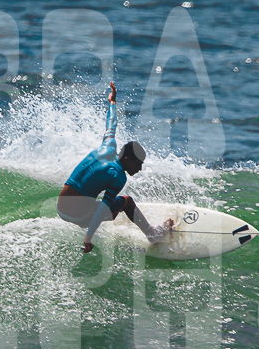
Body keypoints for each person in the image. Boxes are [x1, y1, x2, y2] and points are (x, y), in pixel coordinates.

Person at [57, 82, 173, 253]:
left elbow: (111, 124)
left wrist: (112, 102)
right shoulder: (118, 175)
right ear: (126, 159)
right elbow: (102, 209)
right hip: (78, 216)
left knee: (93, 192)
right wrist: (89, 236)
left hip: (60, 208)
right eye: (137, 164)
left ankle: (90, 211)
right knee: (126, 202)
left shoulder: (108, 146)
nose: (140, 169)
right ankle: (152, 234)